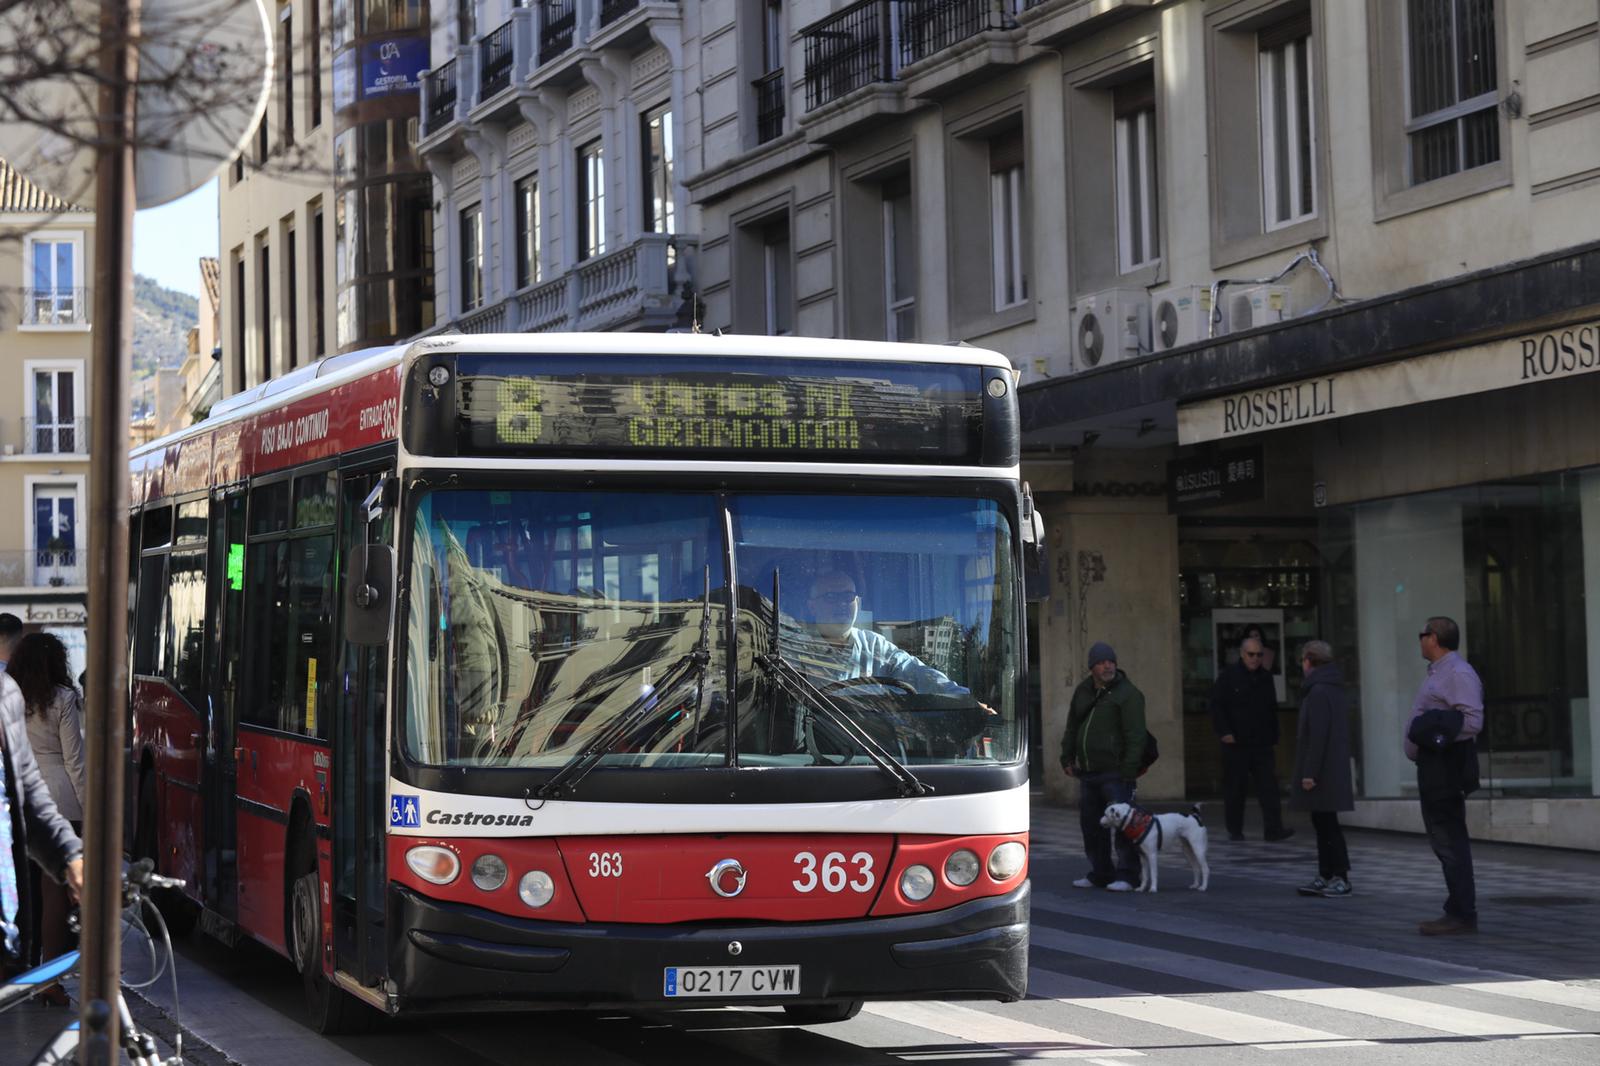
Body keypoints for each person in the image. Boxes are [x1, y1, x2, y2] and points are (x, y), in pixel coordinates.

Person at [7, 633, 86, 970]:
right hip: (59, 801)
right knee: (54, 892)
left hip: (14, 797)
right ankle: (50, 978)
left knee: (19, 893)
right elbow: (75, 762)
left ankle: (19, 967)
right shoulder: (63, 699)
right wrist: (89, 810)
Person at [1408, 616, 1483, 936]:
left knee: (1450, 841)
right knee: (1443, 841)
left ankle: (1462, 914)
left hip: (1446, 767)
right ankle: (1457, 910)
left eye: (1423, 634)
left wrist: (1432, 731)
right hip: (1433, 766)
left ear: (1434, 638)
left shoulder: (1457, 673)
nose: (1421, 639)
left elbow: (1472, 721)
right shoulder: (1440, 672)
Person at [797, 570, 968, 696]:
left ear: (858, 602)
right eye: (831, 596)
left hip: (871, 742)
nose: (841, 603)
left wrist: (962, 698)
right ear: (812, 606)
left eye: (848, 596)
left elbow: (916, 673)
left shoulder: (874, 645)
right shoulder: (796, 649)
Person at [1060, 642, 1146, 892]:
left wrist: (1129, 770)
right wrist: (1067, 757)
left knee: (1123, 824)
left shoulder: (1128, 694)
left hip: (1116, 773)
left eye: (1111, 661)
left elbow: (1136, 735)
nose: (1107, 665)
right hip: (1088, 771)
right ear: (1092, 667)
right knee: (1091, 825)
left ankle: (1128, 875)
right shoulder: (1083, 691)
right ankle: (1101, 872)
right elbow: (1072, 726)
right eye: (1101, 662)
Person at [1210, 635, 1293, 842]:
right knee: (1235, 789)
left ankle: (1274, 830)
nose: (1255, 658)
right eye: (1251, 654)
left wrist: (1274, 735)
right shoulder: (1228, 677)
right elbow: (1216, 706)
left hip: (1261, 743)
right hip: (1236, 743)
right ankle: (1235, 830)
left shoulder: (1266, 677)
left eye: (1259, 654)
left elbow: (1271, 708)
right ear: (1242, 654)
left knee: (1269, 789)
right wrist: (1225, 732)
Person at [1290, 640, 1353, 898]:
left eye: (1303, 660)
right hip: (1330, 768)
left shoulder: (1317, 691)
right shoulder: (1332, 688)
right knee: (1324, 822)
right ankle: (1327, 874)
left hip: (1323, 772)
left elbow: (1317, 736)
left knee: (1327, 824)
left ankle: (1339, 875)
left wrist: (1309, 773)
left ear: (1310, 661)